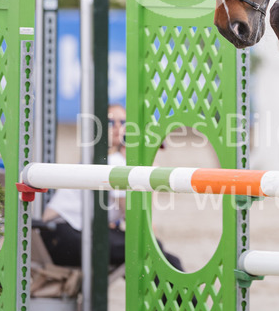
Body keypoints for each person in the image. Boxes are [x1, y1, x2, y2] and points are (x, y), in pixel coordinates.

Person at [38, 104, 183, 272]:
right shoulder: (114, 161)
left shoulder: (103, 157)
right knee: (148, 248)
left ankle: (175, 295)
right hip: (64, 234)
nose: (117, 127)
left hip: (60, 233)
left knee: (156, 254)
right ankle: (179, 297)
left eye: (122, 122)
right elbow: (132, 214)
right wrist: (148, 182)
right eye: (110, 122)